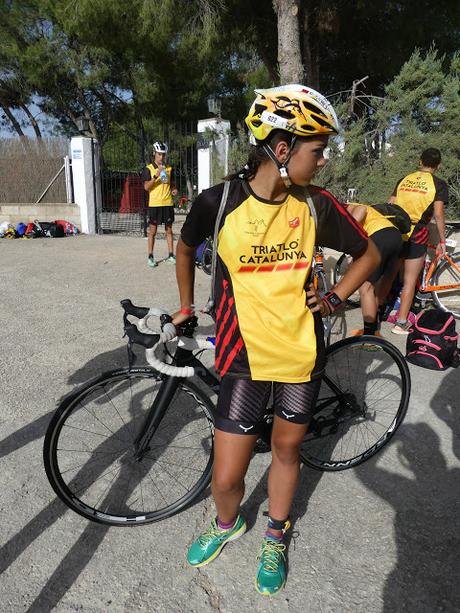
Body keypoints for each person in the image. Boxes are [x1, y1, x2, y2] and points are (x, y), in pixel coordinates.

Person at [172, 84, 379, 596]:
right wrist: (184, 302)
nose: (325, 160)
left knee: (287, 452)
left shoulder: (316, 205)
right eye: (318, 148)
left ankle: (275, 534)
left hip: (299, 356)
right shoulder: (218, 202)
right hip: (242, 358)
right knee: (225, 478)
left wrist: (333, 299)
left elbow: (369, 254)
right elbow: (183, 248)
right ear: (281, 148)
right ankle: (228, 523)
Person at [388, 148, 448, 334]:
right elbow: (438, 214)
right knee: (409, 281)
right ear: (437, 165)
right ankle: (401, 323)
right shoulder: (438, 184)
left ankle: (376, 316)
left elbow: (390, 204)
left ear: (420, 161)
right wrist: (442, 241)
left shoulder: (405, 179)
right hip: (418, 233)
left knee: (389, 275)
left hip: (397, 231)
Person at [345, 203, 403, 336]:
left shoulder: (346, 207)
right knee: (380, 285)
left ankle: (370, 335)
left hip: (378, 237)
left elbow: (361, 209)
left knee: (366, 288)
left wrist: (349, 229)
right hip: (395, 236)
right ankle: (375, 328)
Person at [142, 141, 178, 267]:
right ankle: (150, 256)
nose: (161, 157)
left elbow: (170, 183)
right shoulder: (148, 169)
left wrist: (174, 189)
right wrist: (155, 176)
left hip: (167, 203)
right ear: (154, 154)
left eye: (163, 154)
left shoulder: (169, 168)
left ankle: (171, 255)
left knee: (169, 230)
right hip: (155, 204)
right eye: (159, 154)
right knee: (153, 231)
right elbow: (146, 187)